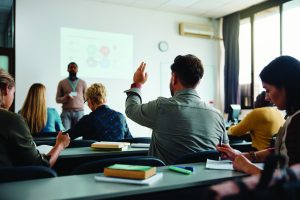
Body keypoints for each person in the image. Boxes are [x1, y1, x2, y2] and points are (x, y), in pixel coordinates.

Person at [124, 54, 228, 165]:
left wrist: (137, 83)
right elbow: (226, 152)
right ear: (198, 81)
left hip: (166, 181)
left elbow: (131, 109)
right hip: (206, 181)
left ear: (174, 78)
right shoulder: (217, 115)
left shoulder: (162, 107)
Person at [217, 55, 300, 175]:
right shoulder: (291, 116)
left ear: (285, 86)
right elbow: (282, 152)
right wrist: (245, 156)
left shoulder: (297, 122)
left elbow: (292, 184)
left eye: (268, 90)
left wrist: (248, 167)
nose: (266, 97)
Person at [0, 69, 70, 167]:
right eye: (13, 93)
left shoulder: (21, 113)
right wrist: (60, 145)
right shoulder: (13, 120)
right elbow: (40, 165)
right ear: (7, 89)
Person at [67, 83, 132, 141]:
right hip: (119, 154)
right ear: (104, 98)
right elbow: (130, 140)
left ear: (90, 100)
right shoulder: (120, 117)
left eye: (86, 101)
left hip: (93, 155)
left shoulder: (87, 120)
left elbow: (66, 137)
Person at [56, 62, 87, 130]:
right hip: (66, 112)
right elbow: (57, 99)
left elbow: (86, 98)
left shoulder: (83, 83)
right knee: (65, 134)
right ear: (67, 69)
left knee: (79, 133)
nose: (72, 69)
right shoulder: (62, 83)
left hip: (79, 112)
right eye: (71, 67)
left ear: (77, 70)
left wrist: (80, 101)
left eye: (74, 67)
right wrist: (65, 98)